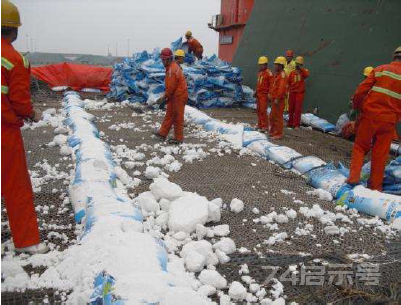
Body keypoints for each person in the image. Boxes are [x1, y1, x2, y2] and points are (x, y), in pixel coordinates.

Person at [1, 1, 49, 254]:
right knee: (15, 184)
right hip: (3, 131)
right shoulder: (13, 59)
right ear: (15, 30)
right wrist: (32, 114)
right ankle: (27, 241)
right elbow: (20, 102)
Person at [346, 47, 401, 191]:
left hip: (370, 115)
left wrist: (357, 107)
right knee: (380, 154)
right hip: (389, 120)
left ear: (394, 56)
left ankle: (353, 179)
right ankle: (375, 188)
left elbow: (361, 91)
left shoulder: (381, 69)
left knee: (360, 147)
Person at [153, 48, 188, 144]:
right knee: (169, 114)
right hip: (174, 94)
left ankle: (178, 138)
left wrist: (163, 98)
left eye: (164, 59)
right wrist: (166, 97)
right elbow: (170, 87)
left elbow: (171, 88)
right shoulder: (171, 67)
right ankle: (162, 133)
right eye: (162, 59)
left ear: (169, 59)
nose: (163, 61)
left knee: (177, 117)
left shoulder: (172, 70)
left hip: (179, 95)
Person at [268, 56, 288, 140]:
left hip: (278, 100)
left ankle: (278, 133)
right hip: (274, 99)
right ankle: (272, 131)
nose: (275, 66)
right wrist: (270, 94)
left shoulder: (282, 76)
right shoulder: (277, 75)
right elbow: (273, 86)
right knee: (272, 116)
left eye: (276, 64)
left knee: (278, 117)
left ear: (281, 65)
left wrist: (277, 98)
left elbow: (281, 88)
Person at [288, 56, 309, 128]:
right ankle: (290, 123)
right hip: (292, 93)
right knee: (291, 109)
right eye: (297, 64)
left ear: (302, 65)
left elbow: (307, 75)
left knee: (297, 109)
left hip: (299, 93)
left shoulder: (303, 72)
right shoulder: (292, 73)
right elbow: (288, 83)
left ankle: (296, 124)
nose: (298, 65)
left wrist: (301, 69)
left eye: (299, 64)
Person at [254, 56, 273, 132]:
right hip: (259, 94)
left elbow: (272, 84)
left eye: (262, 64)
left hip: (264, 95)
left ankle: (265, 126)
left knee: (263, 110)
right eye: (260, 64)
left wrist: (270, 94)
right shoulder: (260, 72)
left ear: (266, 64)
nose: (260, 66)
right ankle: (260, 125)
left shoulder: (269, 73)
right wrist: (256, 91)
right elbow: (259, 84)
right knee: (258, 110)